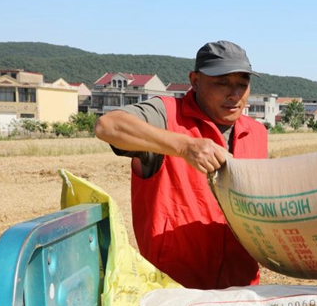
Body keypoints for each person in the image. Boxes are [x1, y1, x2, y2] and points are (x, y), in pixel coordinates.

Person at [95, 40, 268, 289]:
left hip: (241, 287)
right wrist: (185, 147)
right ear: (195, 81)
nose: (235, 95)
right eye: (222, 83)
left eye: (243, 85)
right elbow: (108, 126)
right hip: (172, 288)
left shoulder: (257, 132)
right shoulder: (166, 115)